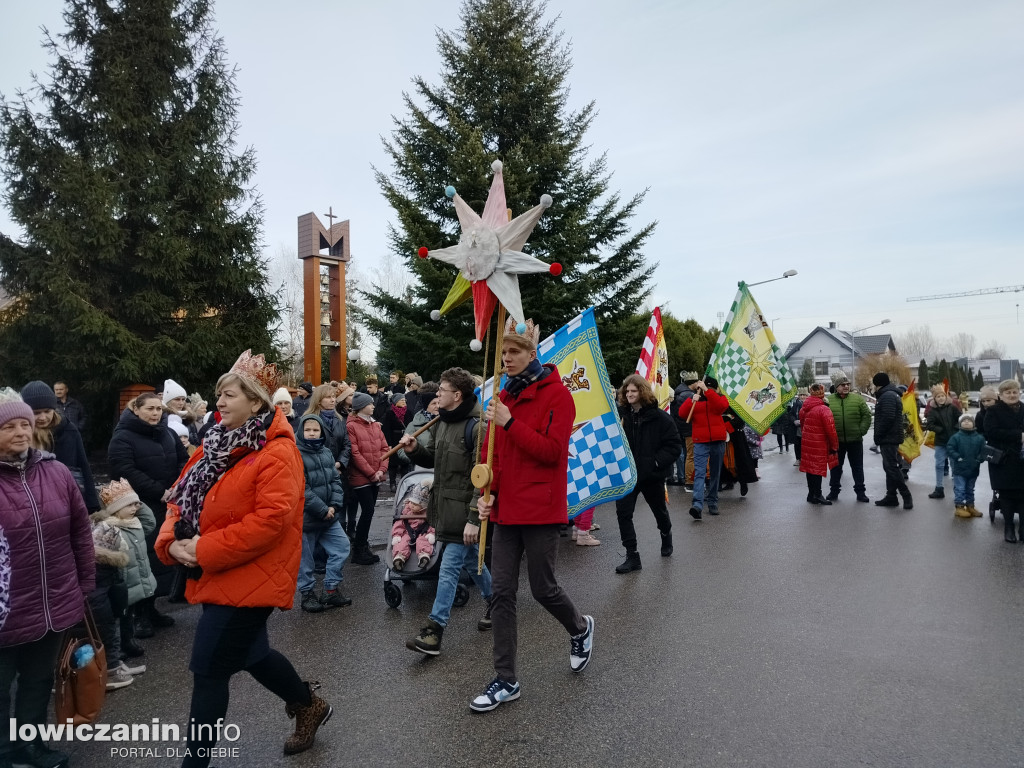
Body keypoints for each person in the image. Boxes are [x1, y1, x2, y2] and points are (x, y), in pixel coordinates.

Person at [155, 350, 331, 766]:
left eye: (228, 394)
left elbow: (270, 522)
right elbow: (179, 497)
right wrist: (172, 543)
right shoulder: (213, 442)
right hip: (217, 571)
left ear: (256, 402)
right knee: (252, 655)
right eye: (218, 394)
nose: (218, 402)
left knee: (209, 668)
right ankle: (308, 704)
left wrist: (202, 550)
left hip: (254, 575)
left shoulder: (278, 451)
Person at [472, 319, 593, 713]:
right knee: (502, 593)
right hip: (506, 510)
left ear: (532, 354)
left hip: (541, 510)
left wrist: (510, 421)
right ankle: (506, 679)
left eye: (515, 352)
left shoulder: (558, 395)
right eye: (504, 352)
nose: (506, 358)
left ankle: (579, 628)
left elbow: (552, 453)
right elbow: (494, 458)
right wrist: (486, 494)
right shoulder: (503, 396)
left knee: (543, 589)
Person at [0, 388, 95, 768]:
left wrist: (83, 585)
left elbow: (80, 533)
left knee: (39, 681)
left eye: (25, 423)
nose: (21, 431)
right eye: (9, 426)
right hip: (6, 609)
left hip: (53, 600)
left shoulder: (56, 472)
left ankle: (31, 745)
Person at [400, 367, 493, 656]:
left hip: (464, 512)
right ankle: (498, 601)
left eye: (441, 390)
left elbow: (484, 480)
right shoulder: (443, 422)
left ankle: (434, 631)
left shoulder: (477, 427)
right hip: (444, 507)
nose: (436, 394)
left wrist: (473, 520)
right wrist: (415, 449)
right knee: (470, 562)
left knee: (451, 567)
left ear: (457, 394)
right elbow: (435, 461)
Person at [108, 390, 188, 636]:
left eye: (158, 409)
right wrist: (158, 491)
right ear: (136, 410)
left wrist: (178, 487)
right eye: (150, 409)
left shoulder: (169, 434)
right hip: (139, 508)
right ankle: (138, 615)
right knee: (141, 561)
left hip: (169, 503)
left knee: (158, 558)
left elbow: (184, 461)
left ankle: (152, 608)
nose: (155, 413)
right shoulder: (122, 437)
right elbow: (124, 469)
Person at [613, 374, 682, 574]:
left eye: (633, 390)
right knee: (623, 514)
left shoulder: (660, 418)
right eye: (627, 391)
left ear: (642, 392)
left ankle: (666, 532)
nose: (629, 394)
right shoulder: (621, 416)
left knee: (659, 511)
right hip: (628, 476)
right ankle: (632, 555)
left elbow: (674, 445)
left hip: (651, 476)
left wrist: (655, 462)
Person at [295, 414, 352, 613]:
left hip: (329, 516)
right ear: (301, 431)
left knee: (342, 547)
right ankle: (307, 593)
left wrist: (335, 506)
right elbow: (301, 488)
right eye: (308, 430)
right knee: (306, 560)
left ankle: (330, 589)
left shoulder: (326, 452)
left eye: (315, 430)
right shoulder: (295, 454)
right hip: (308, 517)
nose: (312, 434)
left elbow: (335, 481)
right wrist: (322, 509)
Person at [21, 380, 101, 513]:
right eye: (36, 413)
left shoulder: (68, 430)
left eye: (47, 411)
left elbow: (83, 465)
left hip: (65, 499)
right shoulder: (20, 434)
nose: (43, 417)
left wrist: (92, 504)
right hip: (30, 503)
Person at [99, 479, 157, 660]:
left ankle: (128, 641)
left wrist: (138, 501)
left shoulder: (135, 524)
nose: (135, 508)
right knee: (118, 617)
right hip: (121, 584)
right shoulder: (109, 529)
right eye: (130, 505)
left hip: (135, 581)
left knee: (129, 616)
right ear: (116, 508)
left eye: (136, 505)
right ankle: (116, 648)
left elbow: (150, 521)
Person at [346, 391, 389, 565]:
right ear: (361, 407)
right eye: (370, 403)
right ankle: (358, 549)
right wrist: (372, 473)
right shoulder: (351, 426)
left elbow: (385, 449)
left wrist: (381, 469)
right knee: (368, 510)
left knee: (368, 512)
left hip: (376, 476)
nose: (373, 405)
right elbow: (355, 454)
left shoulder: (375, 426)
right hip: (361, 477)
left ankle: (363, 546)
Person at [677, 376, 729, 520]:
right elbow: (682, 414)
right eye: (706, 388)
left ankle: (712, 502)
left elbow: (721, 407)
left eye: (711, 388)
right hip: (700, 441)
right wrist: (690, 400)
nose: (708, 390)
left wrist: (709, 392)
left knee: (715, 473)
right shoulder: (695, 400)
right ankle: (697, 505)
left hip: (718, 440)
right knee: (700, 473)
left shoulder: (719, 398)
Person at [982, 380, 1024, 542]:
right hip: (1004, 459)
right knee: (1007, 494)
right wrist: (1018, 436)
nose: (1012, 395)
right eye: (1008, 392)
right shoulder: (993, 411)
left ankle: (1022, 527)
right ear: (1001, 395)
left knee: (1023, 494)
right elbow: (991, 431)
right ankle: (1008, 527)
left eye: (1014, 392)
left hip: (1022, 458)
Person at [826, 373, 872, 503]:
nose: (846, 386)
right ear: (836, 387)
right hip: (836, 442)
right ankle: (833, 492)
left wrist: (861, 431)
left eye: (847, 384)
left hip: (855, 440)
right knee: (835, 468)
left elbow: (866, 416)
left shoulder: (857, 399)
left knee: (857, 467)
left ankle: (861, 492)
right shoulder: (829, 401)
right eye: (843, 385)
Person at [871, 372, 913, 510]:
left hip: (889, 437)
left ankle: (905, 495)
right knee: (889, 467)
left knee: (891, 468)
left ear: (878, 385)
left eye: (874, 385)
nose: (874, 388)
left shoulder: (887, 395)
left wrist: (878, 435)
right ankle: (891, 496)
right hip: (891, 436)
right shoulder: (890, 394)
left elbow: (888, 418)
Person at [799, 384, 839, 505]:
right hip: (819, 443)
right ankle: (818, 494)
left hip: (807, 442)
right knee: (817, 468)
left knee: (810, 468)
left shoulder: (803, 408)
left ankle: (811, 494)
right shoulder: (824, 409)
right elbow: (831, 431)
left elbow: (802, 426)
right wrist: (834, 446)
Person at [924, 385, 962, 500]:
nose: (941, 398)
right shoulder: (932, 411)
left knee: (954, 464)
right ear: (934, 399)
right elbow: (929, 424)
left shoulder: (952, 407)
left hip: (953, 441)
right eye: (938, 397)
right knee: (939, 465)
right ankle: (939, 488)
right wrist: (939, 430)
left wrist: (955, 428)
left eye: (942, 396)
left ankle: (958, 488)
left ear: (946, 397)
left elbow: (960, 418)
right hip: (940, 441)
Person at [946, 414, 986, 519]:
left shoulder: (979, 438)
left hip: (973, 468)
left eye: (969, 420)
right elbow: (950, 448)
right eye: (964, 421)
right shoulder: (956, 437)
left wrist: (979, 459)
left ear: (973, 424)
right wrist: (957, 457)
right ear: (960, 424)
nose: (967, 422)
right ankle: (959, 507)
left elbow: (984, 451)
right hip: (959, 468)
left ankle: (970, 506)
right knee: (960, 488)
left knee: (970, 488)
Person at [389, 481, 436, 571]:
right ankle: (399, 557)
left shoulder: (429, 513)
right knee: (402, 542)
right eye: (411, 502)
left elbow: (433, 524)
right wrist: (397, 535)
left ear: (424, 506)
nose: (412, 505)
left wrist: (431, 533)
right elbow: (399, 524)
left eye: (415, 504)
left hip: (423, 532)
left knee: (423, 541)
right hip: (407, 532)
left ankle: (424, 556)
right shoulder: (406, 511)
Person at [671, 371, 700, 488]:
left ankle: (682, 476)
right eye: (697, 381)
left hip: (680, 428)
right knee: (690, 455)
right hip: (689, 429)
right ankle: (688, 480)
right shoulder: (689, 395)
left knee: (683, 454)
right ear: (693, 383)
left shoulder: (679, 392)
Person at [382, 393, 411, 492]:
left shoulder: (408, 412)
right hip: (394, 439)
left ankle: (404, 482)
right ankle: (392, 483)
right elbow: (386, 429)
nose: (404, 401)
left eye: (404, 400)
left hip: (405, 438)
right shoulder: (390, 413)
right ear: (395, 401)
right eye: (401, 400)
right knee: (393, 463)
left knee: (405, 462)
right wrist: (388, 443)